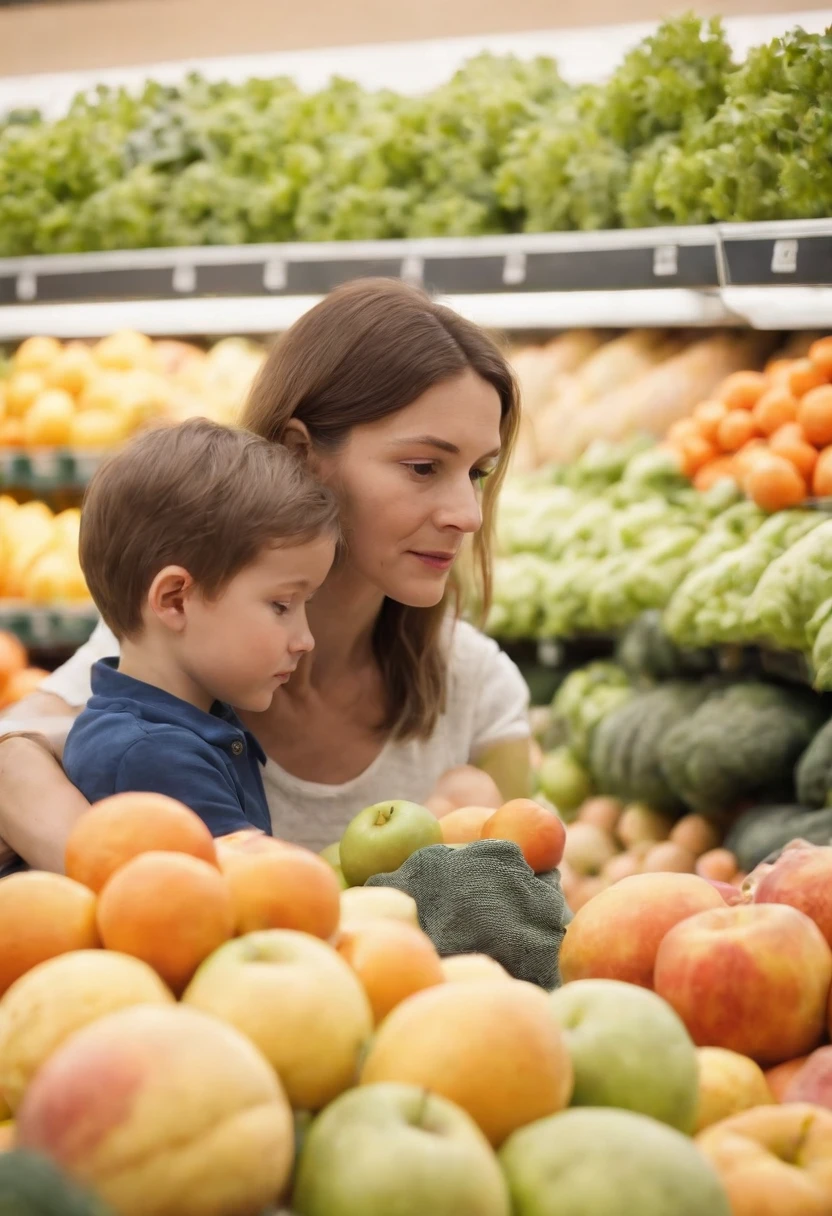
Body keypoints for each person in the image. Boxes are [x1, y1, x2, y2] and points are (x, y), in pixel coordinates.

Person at [0, 278, 531, 871]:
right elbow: (9, 755)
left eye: (479, 472)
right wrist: (129, 879)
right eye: (423, 466)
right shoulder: (179, 640)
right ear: (300, 453)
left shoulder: (479, 692)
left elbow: (521, 916)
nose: (468, 515)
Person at [63, 418, 338, 835]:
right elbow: (251, 893)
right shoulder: (156, 758)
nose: (306, 640)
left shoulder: (178, 727)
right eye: (281, 605)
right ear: (174, 600)